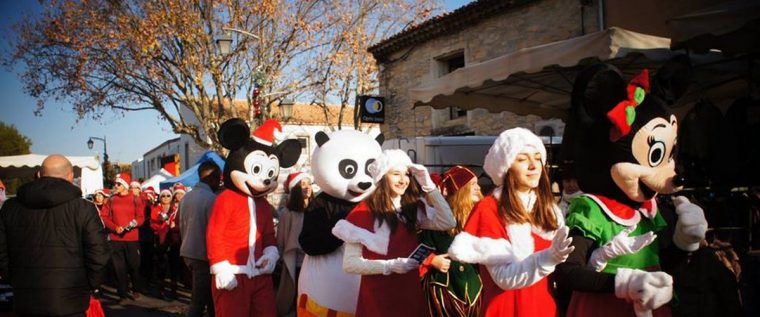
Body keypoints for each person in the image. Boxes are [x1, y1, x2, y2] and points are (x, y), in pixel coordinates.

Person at [448, 128, 574, 317]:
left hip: (545, 309)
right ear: (505, 167)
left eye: (538, 157)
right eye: (522, 159)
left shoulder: (549, 209)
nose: (533, 165)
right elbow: (504, 278)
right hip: (506, 310)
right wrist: (549, 257)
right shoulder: (489, 208)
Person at [332, 149, 456, 317]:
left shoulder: (412, 208)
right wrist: (390, 266)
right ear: (383, 177)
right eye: (396, 174)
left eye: (406, 174)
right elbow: (350, 264)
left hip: (409, 293)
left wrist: (429, 186)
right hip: (378, 297)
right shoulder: (363, 212)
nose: (403, 180)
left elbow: (448, 222)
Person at [0, 154, 110, 316]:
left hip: (26, 298)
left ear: (39, 175)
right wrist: (89, 284)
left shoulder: (9, 208)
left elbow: (2, 253)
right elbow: (99, 253)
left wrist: (15, 279)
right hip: (71, 301)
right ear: (71, 177)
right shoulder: (83, 208)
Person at [419, 166, 483, 317]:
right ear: (460, 189)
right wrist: (432, 260)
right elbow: (416, 249)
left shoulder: (482, 214)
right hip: (444, 289)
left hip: (474, 286)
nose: (478, 188)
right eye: (473, 184)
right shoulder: (435, 219)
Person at [180, 161, 221, 317]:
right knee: (199, 301)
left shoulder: (186, 197)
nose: (219, 183)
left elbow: (182, 225)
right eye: (218, 179)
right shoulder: (211, 199)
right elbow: (214, 231)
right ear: (212, 179)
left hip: (188, 251)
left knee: (209, 298)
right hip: (203, 254)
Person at [101, 172, 146, 303]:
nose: (115, 185)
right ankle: (123, 294)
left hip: (131, 239)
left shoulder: (135, 199)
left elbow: (141, 217)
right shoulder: (111, 199)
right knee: (119, 267)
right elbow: (104, 217)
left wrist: (133, 224)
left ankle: (136, 289)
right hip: (115, 239)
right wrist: (115, 227)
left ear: (125, 185)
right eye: (115, 183)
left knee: (134, 265)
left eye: (118, 184)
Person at [276, 172, 313, 316]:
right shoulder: (288, 212)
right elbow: (281, 238)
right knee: (295, 293)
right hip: (295, 261)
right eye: (303, 184)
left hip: (312, 260)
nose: (307, 187)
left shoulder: (315, 209)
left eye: (309, 184)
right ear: (296, 189)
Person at [151, 188, 181, 299]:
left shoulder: (175, 209)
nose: (165, 198)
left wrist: (173, 226)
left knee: (174, 265)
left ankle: (174, 290)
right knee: (161, 266)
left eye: (168, 196)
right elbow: (152, 224)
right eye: (163, 196)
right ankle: (161, 290)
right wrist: (160, 223)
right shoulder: (156, 209)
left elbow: (180, 223)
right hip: (160, 240)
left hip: (173, 240)